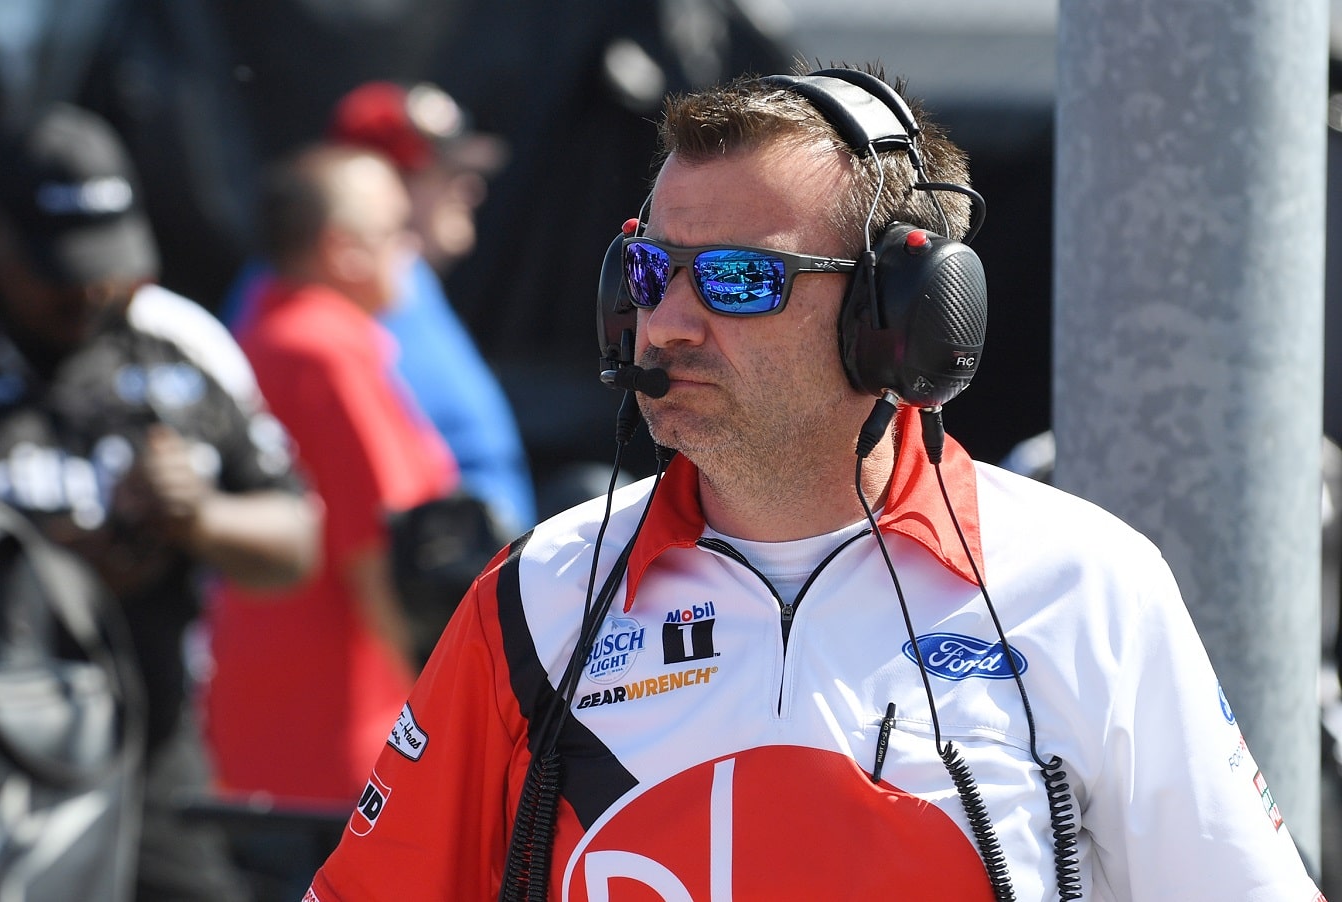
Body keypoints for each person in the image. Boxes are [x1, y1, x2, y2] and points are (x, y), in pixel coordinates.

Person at [302, 66, 1323, 900]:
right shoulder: (537, 595)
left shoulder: (1088, 583)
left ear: (903, 319)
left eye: (742, 279)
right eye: (651, 273)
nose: (666, 324)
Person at [0, 102, 321, 902]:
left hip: (147, 751)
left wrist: (199, 519)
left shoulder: (180, 340)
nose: (89, 288)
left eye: (109, 259)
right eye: (60, 266)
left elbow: (297, 541)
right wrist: (31, 567)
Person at [200, 144, 458, 856]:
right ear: (343, 251)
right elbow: (382, 560)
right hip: (338, 738)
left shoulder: (269, 331)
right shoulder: (322, 353)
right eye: (395, 231)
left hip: (272, 726)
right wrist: (449, 722)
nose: (412, 248)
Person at [224, 80, 536, 536]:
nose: (470, 190)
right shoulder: (310, 312)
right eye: (443, 172)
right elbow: (372, 526)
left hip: (471, 553)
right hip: (416, 566)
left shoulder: (400, 280)